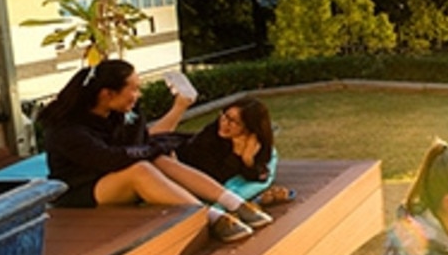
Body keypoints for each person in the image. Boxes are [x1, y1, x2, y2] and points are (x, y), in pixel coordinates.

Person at [38, 59, 272, 243]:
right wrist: (149, 148)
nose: (138, 95)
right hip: (79, 190)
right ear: (107, 94)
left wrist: (143, 133)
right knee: (141, 168)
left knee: (157, 158)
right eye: (134, 90)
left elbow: (138, 144)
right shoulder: (67, 129)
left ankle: (234, 203)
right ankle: (210, 217)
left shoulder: (117, 113)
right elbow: (108, 159)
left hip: (110, 175)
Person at [173, 97, 295, 207]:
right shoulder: (212, 134)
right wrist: (236, 155)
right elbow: (211, 178)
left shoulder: (255, 143)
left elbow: (261, 176)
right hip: (179, 159)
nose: (225, 123)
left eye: (234, 122)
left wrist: (247, 159)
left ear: (249, 128)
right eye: (225, 116)